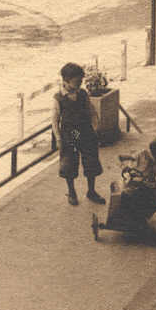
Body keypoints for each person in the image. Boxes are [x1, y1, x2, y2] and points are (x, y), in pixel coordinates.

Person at [52, 62, 105, 206]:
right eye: (77, 81)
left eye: (81, 80)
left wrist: (95, 126)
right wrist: (58, 138)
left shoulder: (82, 94)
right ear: (66, 80)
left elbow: (91, 111)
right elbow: (55, 121)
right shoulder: (58, 98)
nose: (80, 83)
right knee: (70, 162)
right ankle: (72, 192)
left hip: (86, 131)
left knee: (91, 161)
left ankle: (91, 191)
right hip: (71, 134)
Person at [113, 137, 156, 224]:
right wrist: (124, 161)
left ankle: (138, 216)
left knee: (139, 195)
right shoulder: (143, 154)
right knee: (124, 191)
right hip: (134, 180)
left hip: (147, 185)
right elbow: (128, 157)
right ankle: (126, 212)